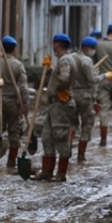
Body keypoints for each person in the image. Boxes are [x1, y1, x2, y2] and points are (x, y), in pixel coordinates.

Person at [34, 34, 76, 182]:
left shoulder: (65, 60)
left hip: (61, 104)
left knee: (60, 138)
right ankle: (47, 171)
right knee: (47, 137)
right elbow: (61, 75)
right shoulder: (64, 60)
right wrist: (50, 68)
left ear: (57, 45)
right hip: (55, 105)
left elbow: (64, 78)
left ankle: (61, 173)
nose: (53, 47)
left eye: (54, 44)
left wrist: (60, 90)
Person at [0, 35, 29, 171]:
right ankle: (11, 161)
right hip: (13, 103)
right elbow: (23, 87)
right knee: (14, 131)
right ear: (14, 49)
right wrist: (25, 105)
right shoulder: (18, 65)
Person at [72, 37, 101, 164]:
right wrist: (104, 76)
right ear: (85, 48)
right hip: (85, 96)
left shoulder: (70, 57)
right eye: (92, 48)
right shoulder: (87, 60)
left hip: (71, 95)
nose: (93, 51)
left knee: (71, 125)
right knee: (87, 125)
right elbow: (93, 80)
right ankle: (81, 156)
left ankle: (65, 154)